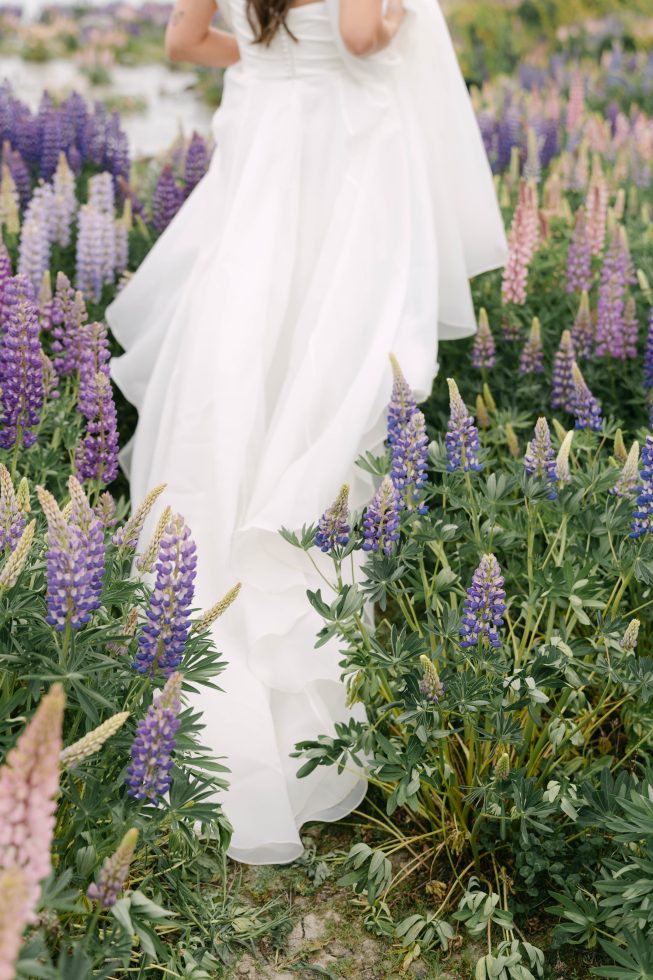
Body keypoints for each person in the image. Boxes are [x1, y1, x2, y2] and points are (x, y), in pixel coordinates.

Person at [105, 0, 508, 865]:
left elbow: (184, 41)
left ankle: (178, 640)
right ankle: (286, 691)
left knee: (233, 371)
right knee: (320, 382)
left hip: (262, 167)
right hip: (340, 166)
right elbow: (362, 35)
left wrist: (263, 53)